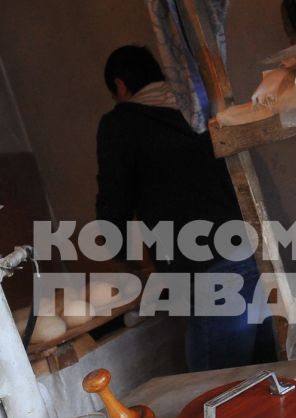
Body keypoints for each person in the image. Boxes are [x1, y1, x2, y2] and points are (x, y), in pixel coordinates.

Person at [95, 45, 274, 371]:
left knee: (215, 386)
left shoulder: (121, 124)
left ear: (121, 86)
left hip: (206, 264)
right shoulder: (196, 107)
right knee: (266, 373)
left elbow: (114, 196)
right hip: (249, 251)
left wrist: (123, 255)